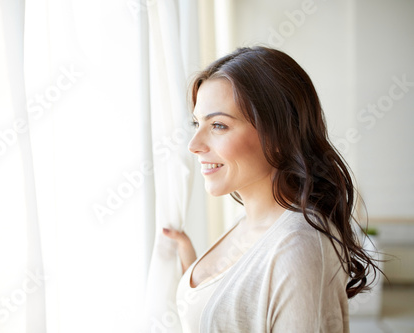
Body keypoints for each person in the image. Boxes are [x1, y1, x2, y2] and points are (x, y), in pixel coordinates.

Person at [162, 46, 381, 332]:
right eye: (196, 123)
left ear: (278, 134)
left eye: (218, 125)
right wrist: (193, 271)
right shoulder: (253, 225)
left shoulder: (299, 250)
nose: (194, 145)